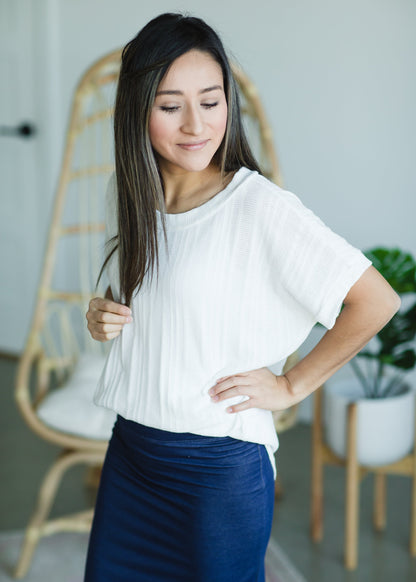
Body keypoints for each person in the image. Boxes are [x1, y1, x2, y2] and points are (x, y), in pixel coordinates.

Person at [84, 12, 400, 582]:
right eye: (169, 104)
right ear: (136, 108)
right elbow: (149, 303)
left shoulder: (258, 207)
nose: (194, 125)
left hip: (218, 472)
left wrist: (291, 384)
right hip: (131, 454)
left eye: (210, 101)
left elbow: (376, 301)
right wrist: (100, 315)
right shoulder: (127, 194)